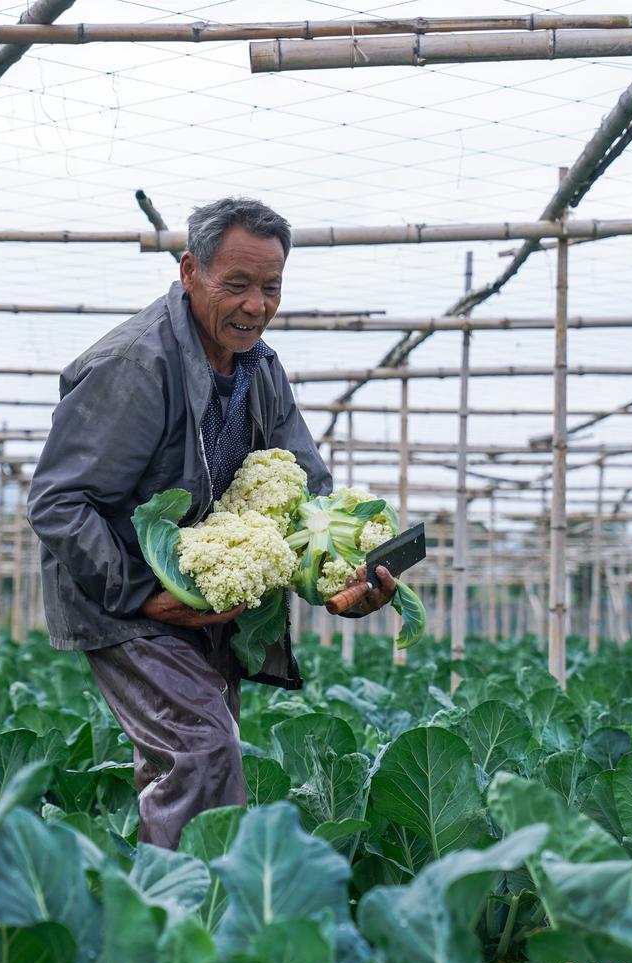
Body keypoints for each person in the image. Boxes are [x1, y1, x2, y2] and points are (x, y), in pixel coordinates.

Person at [27, 197, 396, 849]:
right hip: (123, 593)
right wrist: (143, 591)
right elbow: (59, 502)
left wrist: (342, 567)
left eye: (271, 287)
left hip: (210, 598)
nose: (256, 305)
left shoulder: (260, 370)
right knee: (200, 752)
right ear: (189, 271)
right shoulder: (137, 365)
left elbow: (309, 484)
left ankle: (180, 905)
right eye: (237, 285)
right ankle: (187, 920)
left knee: (204, 753)